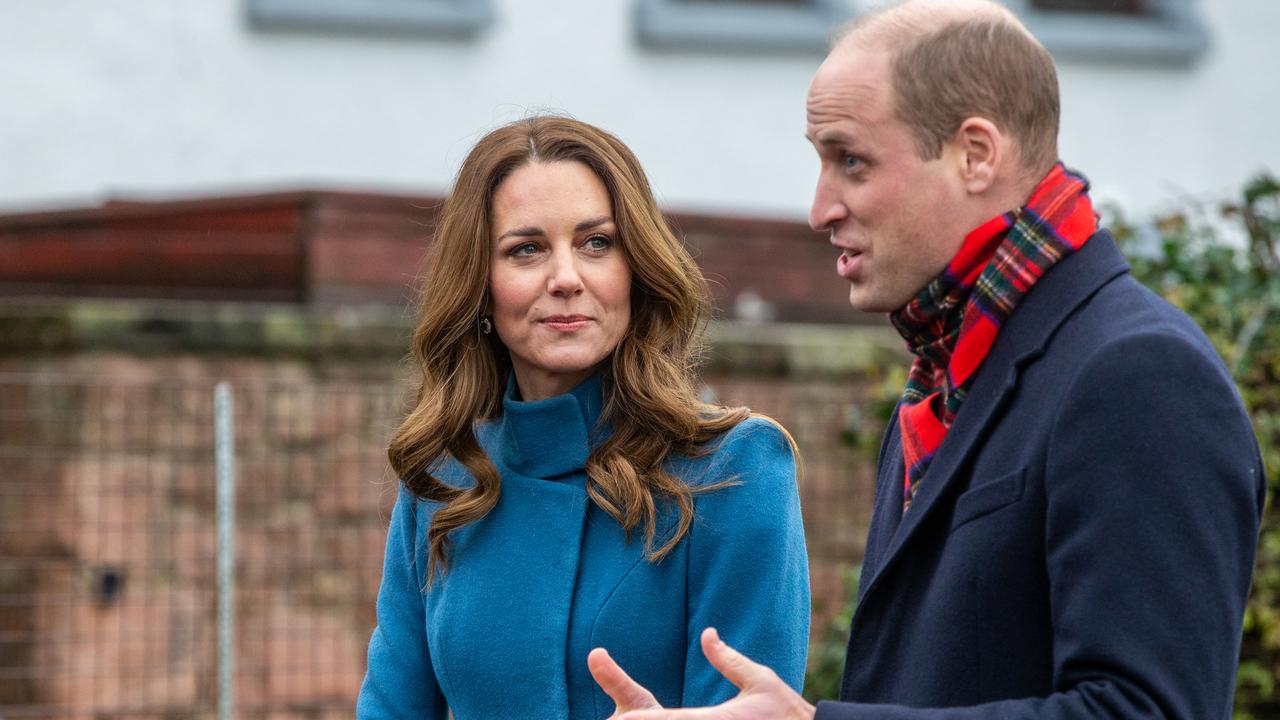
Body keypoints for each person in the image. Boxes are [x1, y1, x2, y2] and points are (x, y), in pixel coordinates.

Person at [588, 1, 1266, 718]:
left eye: (850, 160)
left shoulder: (1140, 376)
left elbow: (1147, 711)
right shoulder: (946, 376)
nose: (819, 208)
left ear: (976, 154)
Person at [355, 115, 810, 719]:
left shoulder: (735, 467)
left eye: (597, 243)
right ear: (480, 287)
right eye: (526, 249)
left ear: (636, 271)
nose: (566, 278)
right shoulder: (443, 481)